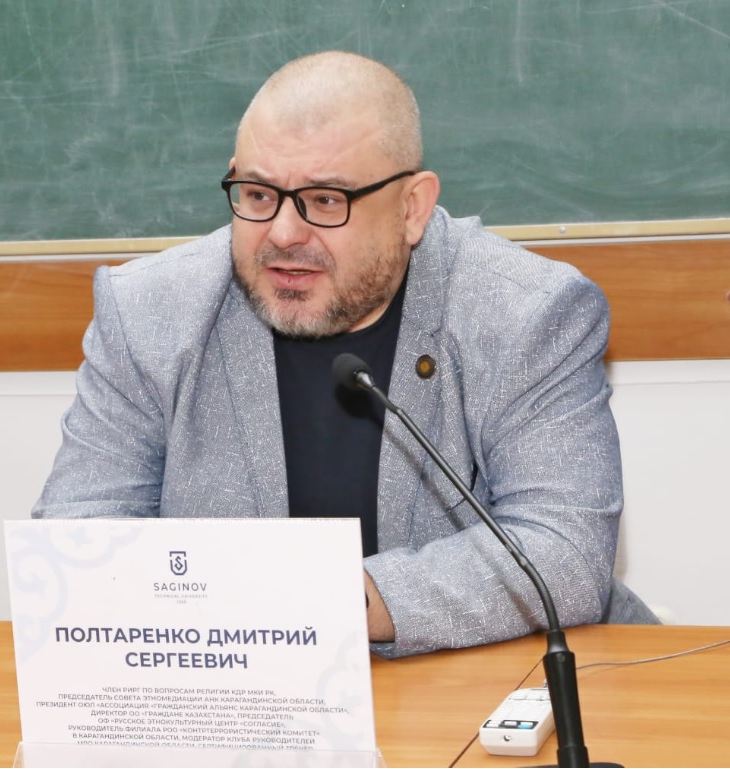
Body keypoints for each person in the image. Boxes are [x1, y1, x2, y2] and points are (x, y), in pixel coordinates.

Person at [32, 50, 657, 658]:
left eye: (326, 200)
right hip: (245, 690)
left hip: (489, 676)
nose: (283, 233)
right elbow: (77, 542)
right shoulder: (149, 312)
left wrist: (318, 606)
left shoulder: (525, 313)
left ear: (411, 208)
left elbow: (562, 553)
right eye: (258, 195)